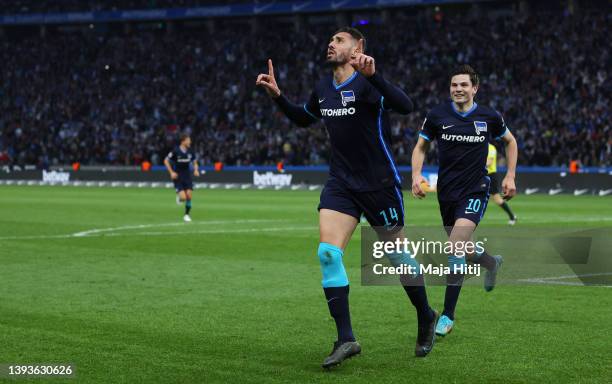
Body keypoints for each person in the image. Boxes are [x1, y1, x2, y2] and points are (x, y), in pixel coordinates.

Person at [256, 27, 438, 368]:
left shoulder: (368, 83)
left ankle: (426, 315)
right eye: (330, 40)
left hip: (378, 184)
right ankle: (346, 338)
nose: (331, 44)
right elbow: (303, 119)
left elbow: (406, 106)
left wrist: (377, 77)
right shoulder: (323, 88)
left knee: (397, 257)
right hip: (341, 182)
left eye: (339, 40)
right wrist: (278, 97)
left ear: (359, 46)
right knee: (327, 254)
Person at [411, 64, 518, 337]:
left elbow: (511, 141)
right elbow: (421, 146)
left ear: (474, 88)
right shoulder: (437, 115)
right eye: (454, 85)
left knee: (455, 245)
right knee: (462, 246)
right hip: (447, 192)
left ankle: (447, 314)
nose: (458, 89)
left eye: (463, 85)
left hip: (476, 189)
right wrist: (415, 175)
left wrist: (510, 177)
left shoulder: (489, 116)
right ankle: (491, 263)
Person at [163, 134, 200, 222]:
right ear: (183, 141)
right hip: (178, 176)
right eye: (188, 140)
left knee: (189, 196)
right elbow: (165, 161)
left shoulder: (191, 151)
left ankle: (186, 215)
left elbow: (195, 162)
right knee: (183, 198)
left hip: (187, 176)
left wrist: (196, 170)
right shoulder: (175, 151)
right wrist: (171, 172)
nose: (190, 142)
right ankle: (180, 197)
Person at [487, 143, 518, 225]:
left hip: (490, 176)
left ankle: (512, 216)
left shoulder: (491, 148)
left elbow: (489, 162)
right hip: (481, 175)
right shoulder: (479, 147)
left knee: (497, 199)